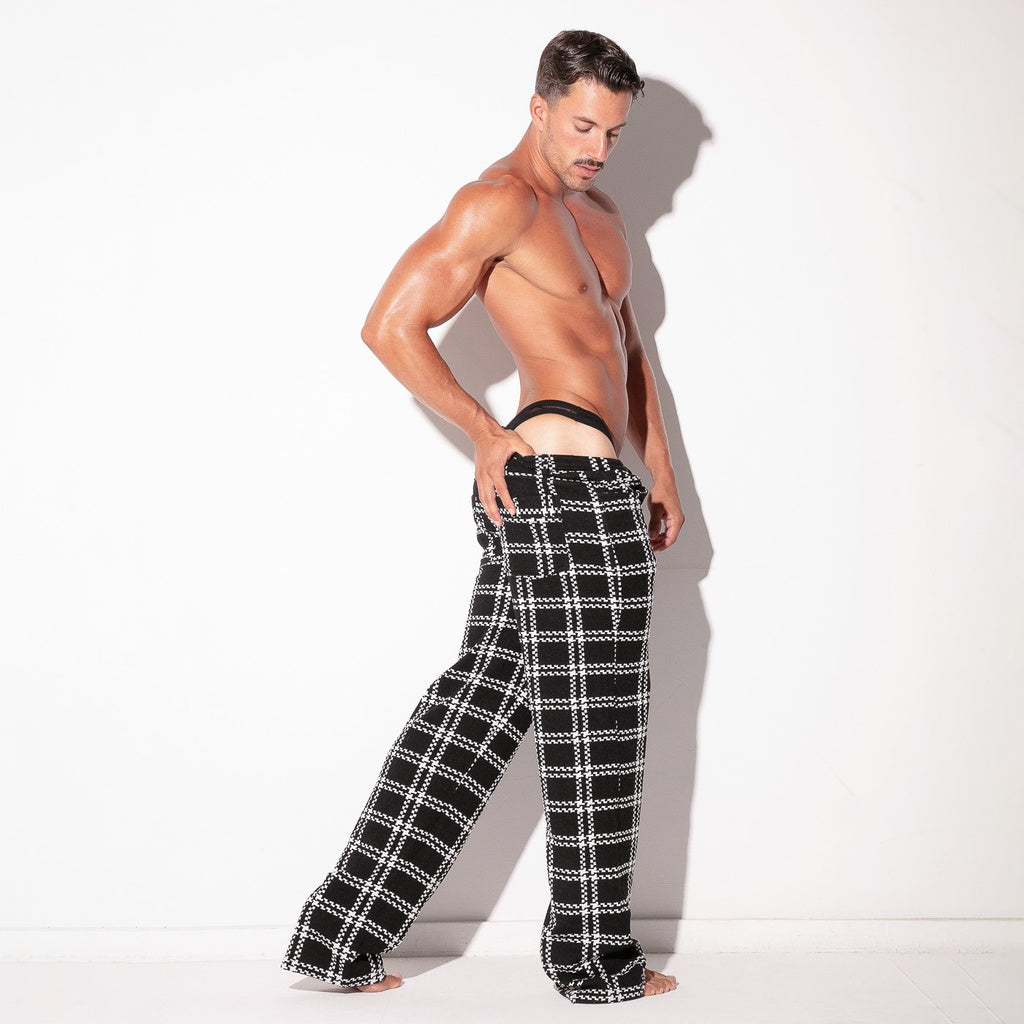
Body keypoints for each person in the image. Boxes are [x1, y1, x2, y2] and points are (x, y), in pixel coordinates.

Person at [281, 29, 683, 1003]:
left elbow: (625, 350)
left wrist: (661, 472)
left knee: (477, 709)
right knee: (595, 726)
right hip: (554, 484)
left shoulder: (600, 216)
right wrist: (481, 429)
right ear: (539, 106)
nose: (596, 148)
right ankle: (592, 962)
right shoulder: (497, 202)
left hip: (601, 486)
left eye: (613, 133)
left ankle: (336, 939)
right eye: (581, 125)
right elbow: (389, 325)